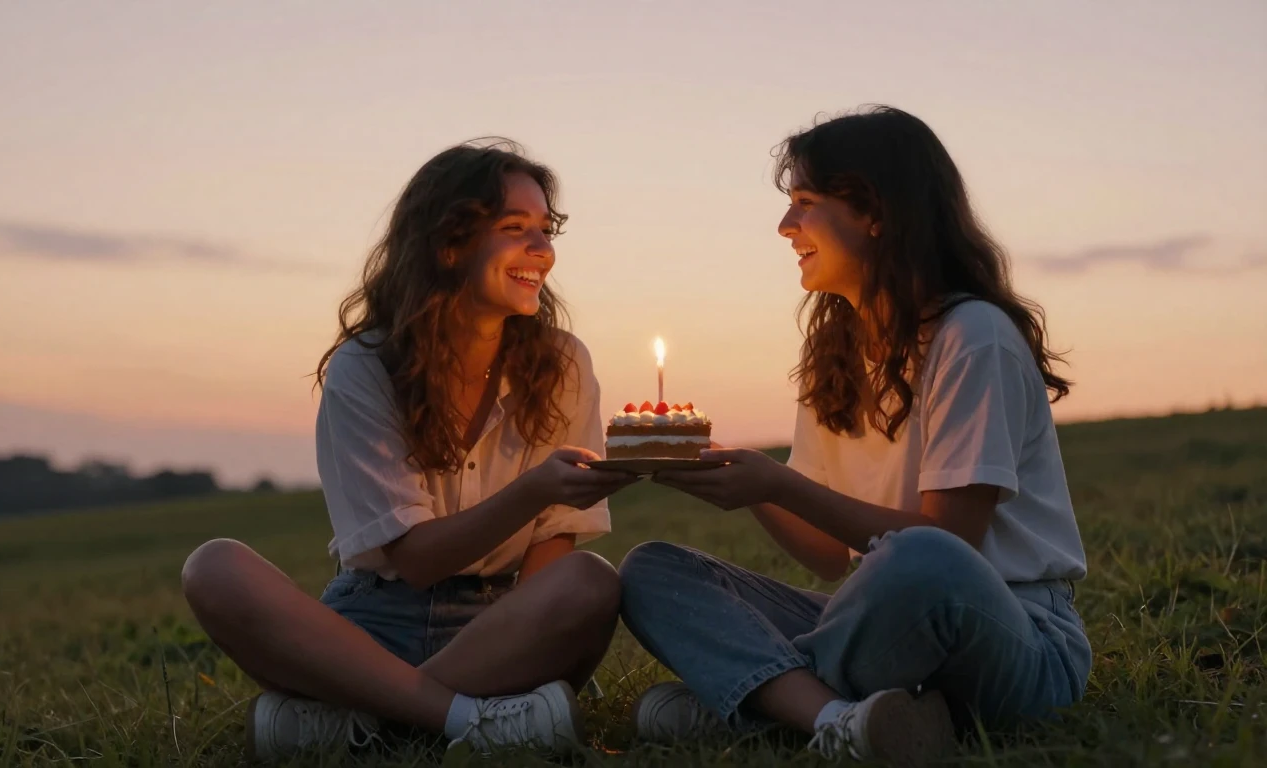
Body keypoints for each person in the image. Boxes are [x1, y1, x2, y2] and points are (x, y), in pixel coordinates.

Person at [618, 106, 1091, 768]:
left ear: (875, 213)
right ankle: (843, 716)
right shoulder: (839, 348)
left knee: (918, 559)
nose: (786, 228)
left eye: (806, 204)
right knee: (652, 569)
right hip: (884, 616)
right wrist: (746, 485)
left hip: (1015, 637)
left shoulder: (971, 337)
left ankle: (763, 700)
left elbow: (950, 545)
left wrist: (777, 480)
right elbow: (831, 557)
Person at [180, 138, 638, 762]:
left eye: (545, 229)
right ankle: (468, 720)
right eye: (514, 228)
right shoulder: (364, 367)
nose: (542, 250)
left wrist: (525, 636)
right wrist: (535, 489)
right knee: (214, 567)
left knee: (589, 581)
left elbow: (552, 547)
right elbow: (415, 560)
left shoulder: (562, 364)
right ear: (449, 245)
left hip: (499, 622)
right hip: (373, 624)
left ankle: (361, 720)